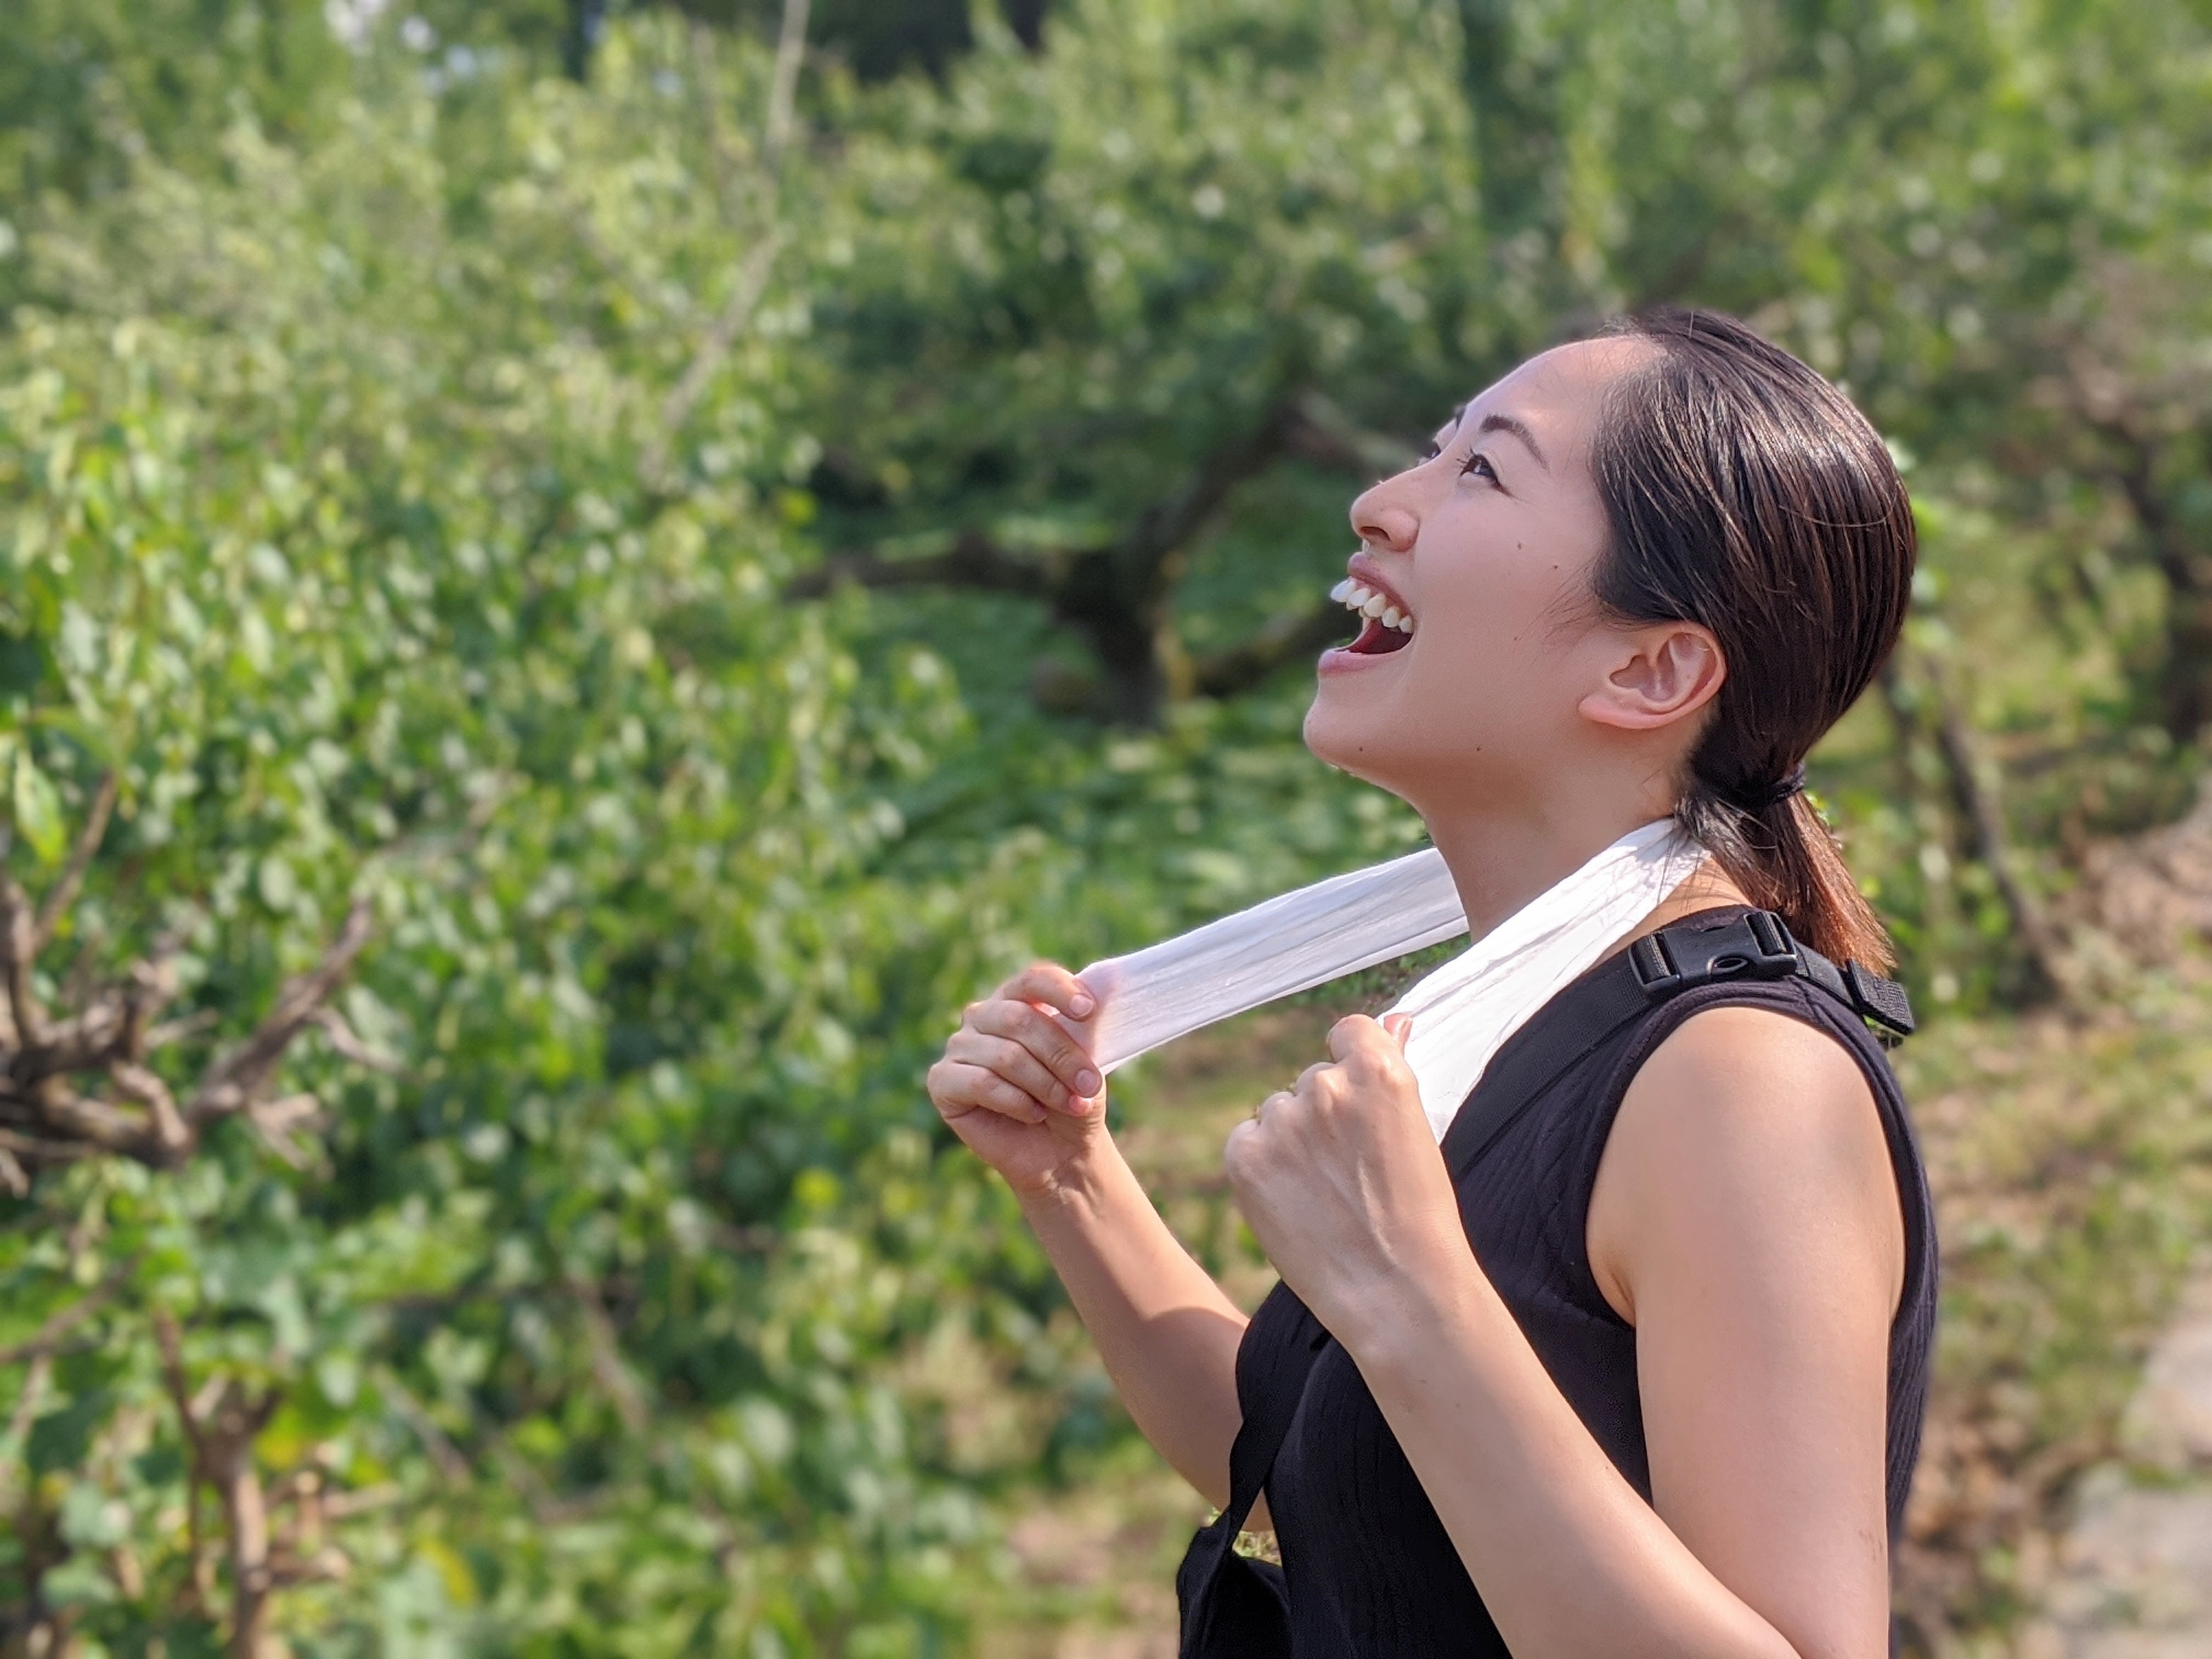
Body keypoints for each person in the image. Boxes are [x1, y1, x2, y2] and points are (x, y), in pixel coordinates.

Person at [927, 308, 1935, 1659]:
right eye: (1433, 447)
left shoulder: (1741, 1080)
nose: (1380, 503)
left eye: (1485, 471)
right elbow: (1334, 1481)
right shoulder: (1537, 1009)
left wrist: (1413, 1300)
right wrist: (1070, 1177)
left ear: (1652, 669)